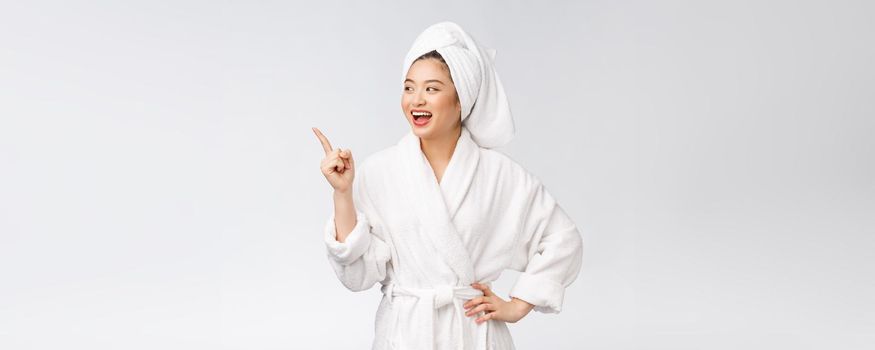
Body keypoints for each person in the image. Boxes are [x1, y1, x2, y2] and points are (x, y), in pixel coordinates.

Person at [312, 21, 584, 350]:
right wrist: (342, 193)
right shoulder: (379, 172)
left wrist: (519, 303)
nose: (416, 100)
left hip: (473, 334)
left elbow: (563, 239)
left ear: (461, 100)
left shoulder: (499, 175)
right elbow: (357, 277)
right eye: (409, 87)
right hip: (405, 335)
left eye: (432, 88)